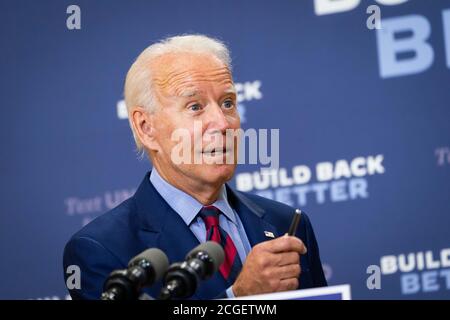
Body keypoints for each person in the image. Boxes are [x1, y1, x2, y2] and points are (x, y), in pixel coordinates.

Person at [63, 34, 327, 300]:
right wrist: (239, 297)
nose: (222, 124)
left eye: (228, 103)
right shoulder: (100, 249)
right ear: (146, 128)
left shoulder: (287, 223)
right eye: (195, 106)